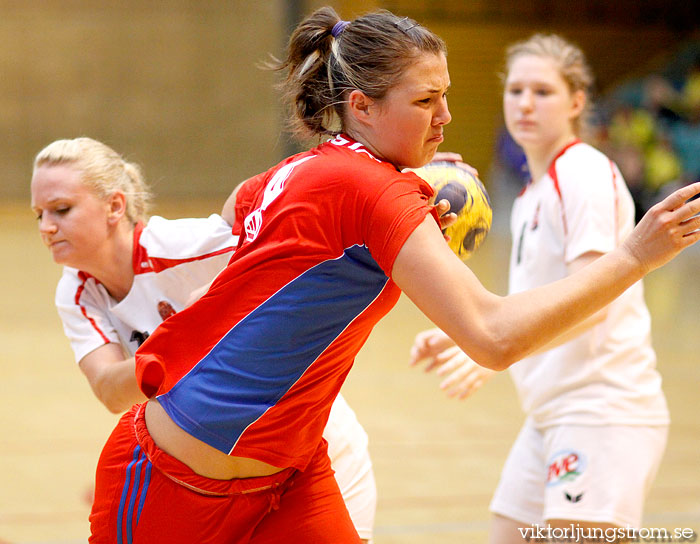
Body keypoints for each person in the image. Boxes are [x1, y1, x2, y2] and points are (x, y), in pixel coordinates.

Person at [70, 7, 699, 543]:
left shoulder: (315, 166)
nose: (445, 116)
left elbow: (242, 205)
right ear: (362, 106)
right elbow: (493, 335)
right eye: (425, 101)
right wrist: (634, 257)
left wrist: (396, 187)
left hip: (289, 467)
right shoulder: (369, 189)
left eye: (445, 95)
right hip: (174, 478)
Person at [30, 136, 378, 542]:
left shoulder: (184, 248)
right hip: (217, 473)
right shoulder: (75, 292)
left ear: (115, 206)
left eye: (62, 210)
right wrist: (192, 331)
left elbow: (275, 216)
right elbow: (110, 390)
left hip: (312, 444)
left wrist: (381, 178)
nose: (46, 227)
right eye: (39, 214)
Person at [410, 34, 685, 541]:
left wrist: (493, 352)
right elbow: (543, 300)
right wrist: (468, 334)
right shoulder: (534, 192)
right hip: (549, 415)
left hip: (601, 415)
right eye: (516, 91)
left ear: (577, 102)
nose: (525, 104)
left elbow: (595, 301)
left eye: (543, 91)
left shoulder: (582, 172)